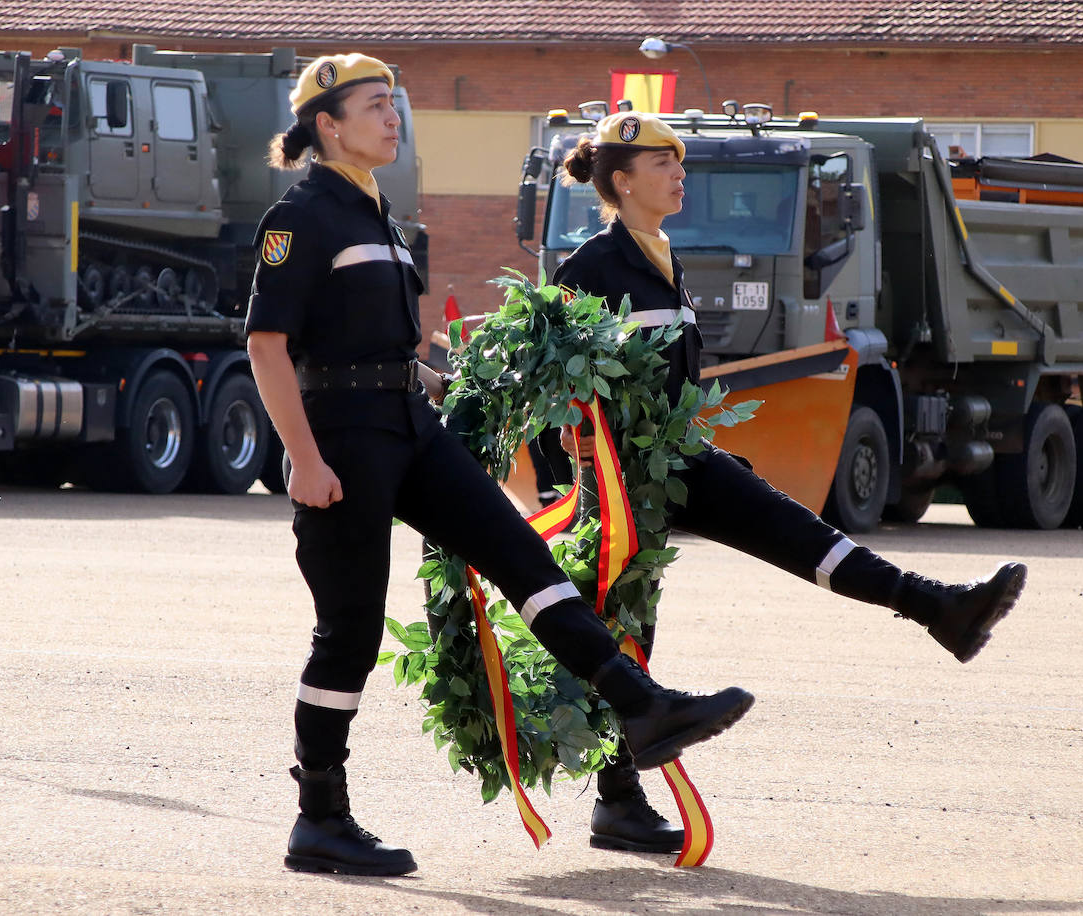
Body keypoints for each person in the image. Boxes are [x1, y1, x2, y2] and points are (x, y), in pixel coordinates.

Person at [246, 56, 754, 877]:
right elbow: (268, 344)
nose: (392, 117)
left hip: (408, 423)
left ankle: (642, 706)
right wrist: (302, 459)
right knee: (349, 631)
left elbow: (381, 347)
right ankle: (320, 818)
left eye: (394, 104)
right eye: (374, 106)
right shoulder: (302, 216)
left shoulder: (379, 214)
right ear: (328, 125)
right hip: (341, 437)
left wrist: (458, 386)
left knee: (525, 559)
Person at [552, 111, 1027, 855]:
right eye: (663, 164)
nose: (680, 175)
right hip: (622, 479)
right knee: (626, 627)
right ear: (622, 180)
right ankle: (617, 802)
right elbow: (562, 394)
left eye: (680, 163)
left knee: (797, 533)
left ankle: (940, 609)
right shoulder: (589, 268)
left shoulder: (660, 255)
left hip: (679, 457)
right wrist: (583, 485)